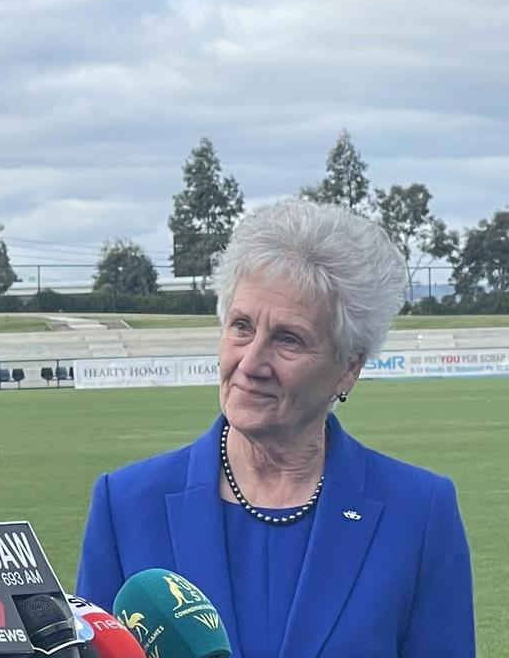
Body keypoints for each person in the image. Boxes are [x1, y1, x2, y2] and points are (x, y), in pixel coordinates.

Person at [75, 200, 475, 657]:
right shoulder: (125, 505)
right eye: (241, 327)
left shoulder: (419, 514)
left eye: (288, 338)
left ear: (348, 368)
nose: (250, 363)